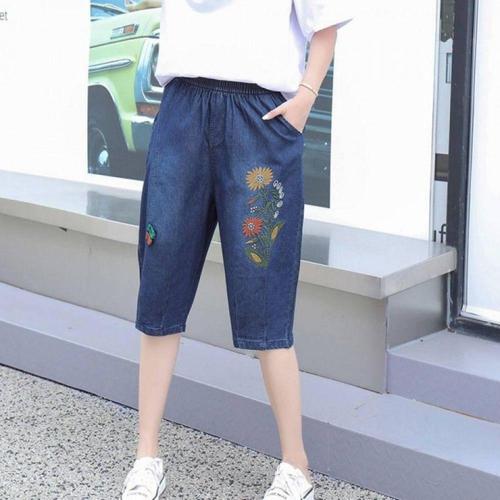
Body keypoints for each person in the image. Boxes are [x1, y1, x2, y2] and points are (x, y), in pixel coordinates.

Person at [121, 1, 353, 498]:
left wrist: (306, 97)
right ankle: (146, 456)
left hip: (258, 119)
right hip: (182, 113)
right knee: (161, 284)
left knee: (264, 288)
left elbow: (326, 23)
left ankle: (296, 466)